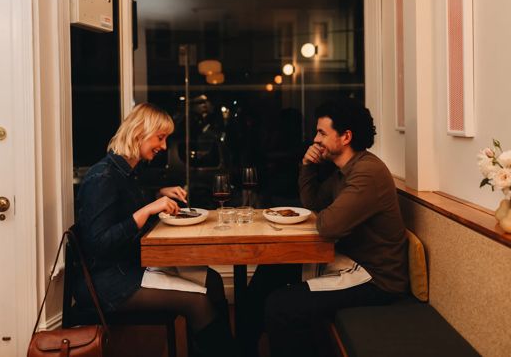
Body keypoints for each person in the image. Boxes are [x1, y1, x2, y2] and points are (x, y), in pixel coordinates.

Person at [241, 98, 409, 357]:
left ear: (346, 137)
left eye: (321, 132)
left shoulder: (367, 173)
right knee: (268, 273)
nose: (315, 139)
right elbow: (314, 204)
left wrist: (325, 213)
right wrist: (307, 167)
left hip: (375, 278)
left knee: (281, 306)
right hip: (347, 262)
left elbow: (328, 226)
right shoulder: (343, 170)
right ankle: (243, 350)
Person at [74, 103, 235, 357]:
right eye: (160, 138)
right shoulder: (102, 177)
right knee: (198, 301)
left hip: (130, 266)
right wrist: (147, 210)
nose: (163, 146)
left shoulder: (124, 173)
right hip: (109, 282)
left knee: (213, 280)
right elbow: (99, 244)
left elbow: (122, 206)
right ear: (139, 132)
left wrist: (157, 194)